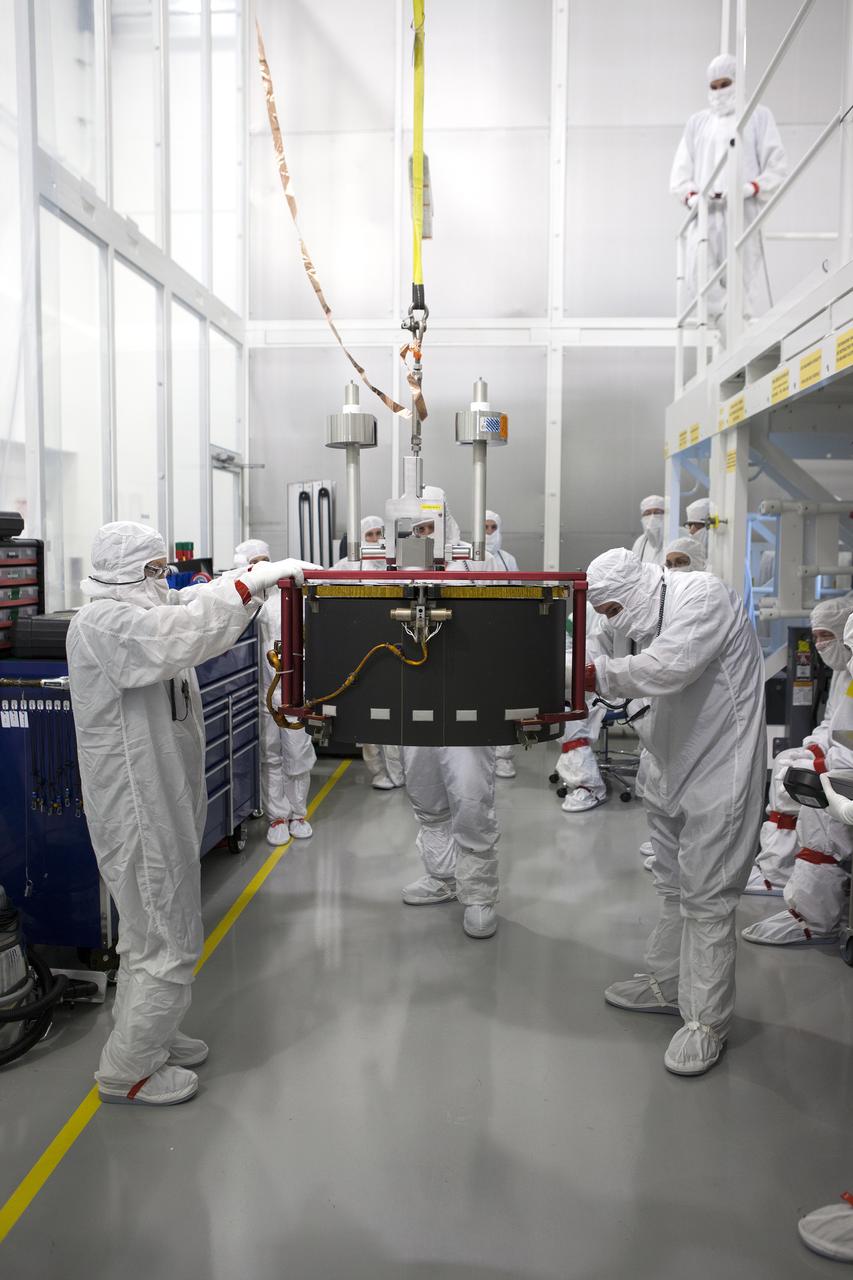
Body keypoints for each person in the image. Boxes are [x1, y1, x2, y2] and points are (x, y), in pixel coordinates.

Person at [67, 522, 305, 1106]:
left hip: (158, 797)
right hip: (137, 808)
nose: (163, 579)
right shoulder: (105, 624)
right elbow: (176, 632)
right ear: (130, 571)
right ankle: (129, 1071)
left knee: (148, 930)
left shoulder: (135, 605)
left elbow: (188, 603)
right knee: (167, 937)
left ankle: (152, 1035)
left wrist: (241, 580)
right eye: (154, 569)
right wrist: (249, 590)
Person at [586, 547, 765, 1077]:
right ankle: (668, 984)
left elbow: (669, 668)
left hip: (718, 764)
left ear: (638, 586)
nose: (611, 618)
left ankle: (706, 1022)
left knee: (707, 895)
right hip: (665, 756)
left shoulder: (703, 595)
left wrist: (596, 675)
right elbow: (600, 648)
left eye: (615, 608)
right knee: (670, 882)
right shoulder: (625, 611)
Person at [401, 487, 501, 940]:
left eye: (430, 527)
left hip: (468, 697)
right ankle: (442, 878)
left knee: (470, 796)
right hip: (417, 693)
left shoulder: (480, 564)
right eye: (417, 529)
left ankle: (478, 895)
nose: (424, 536)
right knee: (424, 791)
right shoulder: (401, 569)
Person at [742, 608, 853, 946]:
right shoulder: (843, 675)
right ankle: (777, 873)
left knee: (819, 816)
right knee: (788, 765)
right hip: (841, 761)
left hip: (846, 769)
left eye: (826, 636)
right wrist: (814, 750)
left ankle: (814, 920)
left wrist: (826, 762)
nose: (819, 644)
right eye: (816, 636)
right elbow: (833, 726)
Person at [670, 53, 788, 325]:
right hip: (705, 214)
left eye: (726, 83)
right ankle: (734, 335)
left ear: (738, 81)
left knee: (742, 282)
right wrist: (693, 196)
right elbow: (679, 174)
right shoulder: (698, 123)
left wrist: (752, 187)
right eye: (714, 85)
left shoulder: (757, 116)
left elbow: (778, 166)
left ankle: (736, 341)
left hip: (743, 213)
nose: (720, 91)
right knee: (698, 276)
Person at [234, 538, 318, 844]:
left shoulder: (289, 596)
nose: (262, 567)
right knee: (270, 756)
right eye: (254, 562)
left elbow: (317, 573)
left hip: (295, 691)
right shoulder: (243, 603)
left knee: (298, 754)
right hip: (261, 696)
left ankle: (299, 813)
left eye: (265, 559)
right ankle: (277, 817)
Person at [331, 518, 405, 791]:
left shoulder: (397, 564)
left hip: (395, 647)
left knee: (396, 709)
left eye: (378, 534)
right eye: (369, 535)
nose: (374, 539)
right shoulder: (346, 567)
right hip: (361, 651)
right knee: (369, 712)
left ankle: (400, 770)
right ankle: (378, 770)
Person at [555, 605, 608, 812]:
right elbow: (568, 648)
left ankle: (590, 786)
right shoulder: (580, 612)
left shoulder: (629, 612)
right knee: (567, 709)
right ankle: (585, 778)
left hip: (611, 685)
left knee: (570, 719)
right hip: (590, 680)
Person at [631, 496, 666, 566]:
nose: (652, 517)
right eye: (647, 513)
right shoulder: (640, 542)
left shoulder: (679, 536)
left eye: (657, 512)